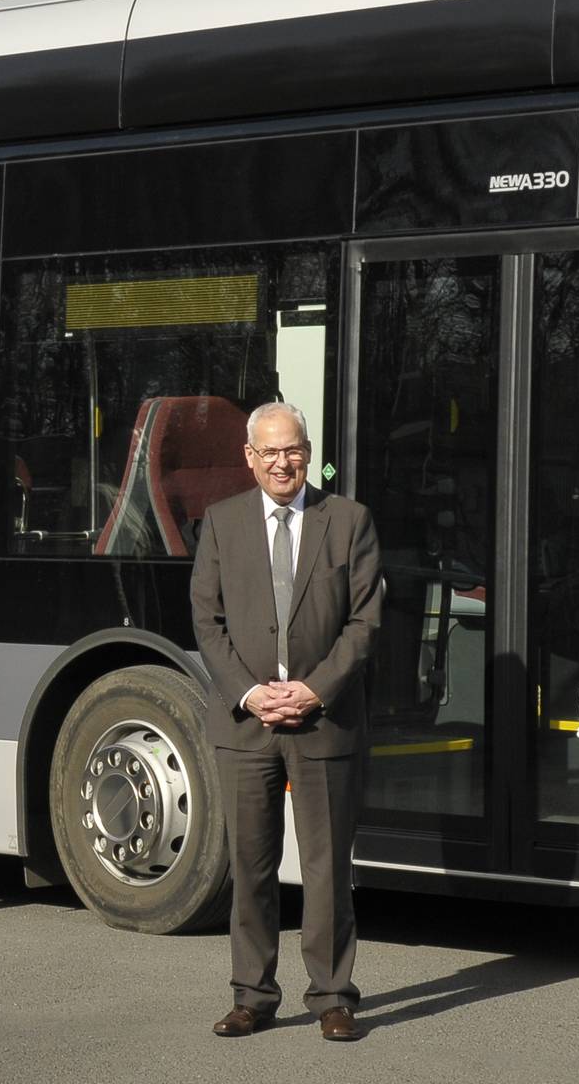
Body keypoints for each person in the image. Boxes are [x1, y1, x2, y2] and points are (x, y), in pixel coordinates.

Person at [188, 401, 381, 1043]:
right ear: (249, 458)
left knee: (326, 871)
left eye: (292, 449)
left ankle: (333, 997)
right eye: (268, 451)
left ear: (308, 452)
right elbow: (207, 621)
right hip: (246, 726)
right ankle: (252, 996)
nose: (282, 462)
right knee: (251, 866)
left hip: (324, 722)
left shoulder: (348, 520)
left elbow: (364, 622)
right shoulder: (221, 523)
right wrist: (249, 693)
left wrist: (315, 690)